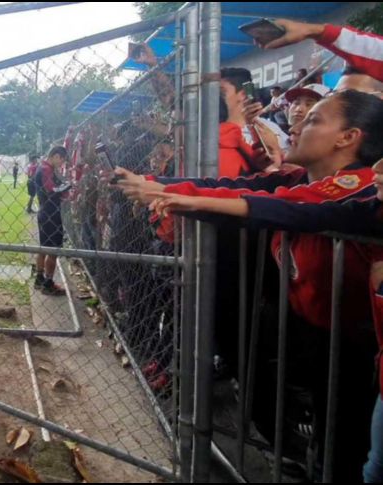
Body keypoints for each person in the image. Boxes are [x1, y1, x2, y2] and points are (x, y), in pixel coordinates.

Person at [145, 90, 383, 481]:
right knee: (327, 436)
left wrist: (182, 197)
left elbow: (285, 206)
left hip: (358, 345)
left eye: (314, 119)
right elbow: (238, 186)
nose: (295, 122)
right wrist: (160, 183)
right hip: (315, 328)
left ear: (348, 137)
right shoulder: (297, 175)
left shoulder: (359, 184)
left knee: (348, 450)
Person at [33, 146, 71, 296]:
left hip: (46, 211)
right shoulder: (46, 169)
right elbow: (51, 189)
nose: (61, 164)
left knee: (43, 247)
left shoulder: (44, 168)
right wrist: (67, 186)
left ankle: (39, 278)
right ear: (56, 156)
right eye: (61, 160)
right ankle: (48, 283)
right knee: (52, 250)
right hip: (50, 213)